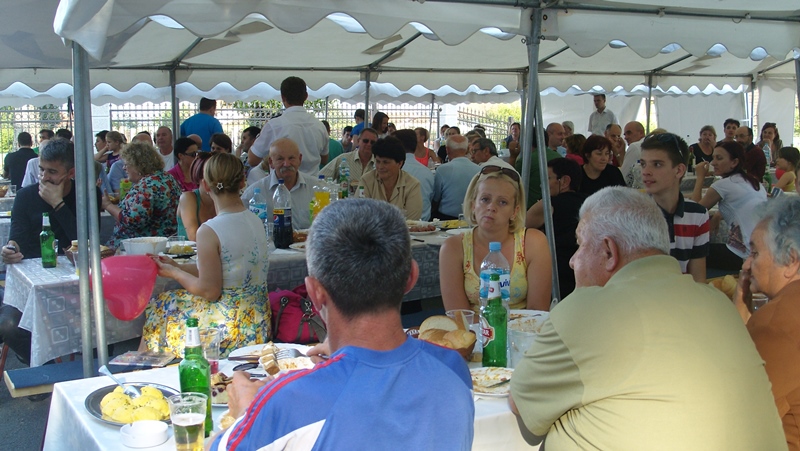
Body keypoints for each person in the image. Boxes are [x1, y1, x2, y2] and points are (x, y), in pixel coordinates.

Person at [510, 187, 785, 450]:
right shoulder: (719, 304)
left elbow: (522, 402)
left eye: (580, 245)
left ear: (609, 252)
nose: (572, 260)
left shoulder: (588, 308)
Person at [210, 199, 474, 449]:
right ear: (411, 277)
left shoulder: (287, 402)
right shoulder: (453, 369)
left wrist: (247, 415)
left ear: (314, 293)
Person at [143, 153, 270, 357]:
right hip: (258, 323)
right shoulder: (256, 220)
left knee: (161, 304)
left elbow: (210, 290)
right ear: (242, 182)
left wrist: (175, 274)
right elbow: (224, 268)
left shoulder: (209, 230)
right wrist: (177, 267)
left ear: (206, 185)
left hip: (229, 328)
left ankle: (144, 369)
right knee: (168, 301)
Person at [0, 139, 102, 365]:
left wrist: (58, 205)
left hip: (75, 288)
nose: (45, 177)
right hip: (31, 287)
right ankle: (45, 369)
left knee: (101, 321)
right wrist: (10, 249)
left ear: (71, 173)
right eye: (42, 170)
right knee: (8, 325)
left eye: (52, 172)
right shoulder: (26, 196)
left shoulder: (88, 194)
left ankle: (91, 372)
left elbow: (86, 241)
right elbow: (17, 238)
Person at [733, 197, 800, 450]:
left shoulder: (775, 323)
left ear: (790, 260)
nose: (746, 265)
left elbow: (739, 409)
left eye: (754, 253)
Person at [440, 161, 552, 313]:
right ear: (473, 205)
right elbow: (459, 316)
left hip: (524, 326)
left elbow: (538, 312)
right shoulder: (453, 247)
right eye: (485, 199)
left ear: (514, 211)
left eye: (502, 202)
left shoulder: (533, 243)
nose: (491, 207)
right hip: (473, 328)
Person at [641, 133, 709, 283]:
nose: (646, 171)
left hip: (683, 295)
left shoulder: (697, 215)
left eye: (657, 164)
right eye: (643, 164)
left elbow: (698, 279)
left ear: (679, 170)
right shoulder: (634, 214)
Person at [691, 141, 767, 261]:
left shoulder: (723, 185)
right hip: (765, 249)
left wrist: (700, 177)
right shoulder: (753, 182)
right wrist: (718, 215)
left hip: (745, 254)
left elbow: (694, 212)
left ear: (734, 162)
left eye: (719, 158)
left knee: (691, 251)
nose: (713, 163)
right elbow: (744, 207)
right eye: (713, 158)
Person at [102, 142, 182, 250]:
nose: (124, 168)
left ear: (137, 165)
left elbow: (133, 221)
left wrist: (108, 205)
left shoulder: (146, 186)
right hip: (162, 244)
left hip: (141, 248)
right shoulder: (167, 178)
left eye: (126, 164)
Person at [526, 158, 586, 297]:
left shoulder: (549, 204)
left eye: (547, 178)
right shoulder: (588, 201)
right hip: (583, 269)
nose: (542, 185)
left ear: (564, 181)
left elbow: (520, 225)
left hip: (556, 274)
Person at [248, 77, 329, 174]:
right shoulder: (320, 126)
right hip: (312, 182)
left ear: (282, 97)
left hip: (282, 182)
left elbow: (252, 160)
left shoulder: (274, 126)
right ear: (306, 96)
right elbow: (324, 159)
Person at [241, 138, 316, 230]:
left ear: (299, 159)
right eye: (280, 159)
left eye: (291, 158)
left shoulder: (317, 188)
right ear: (271, 162)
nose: (287, 164)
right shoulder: (252, 194)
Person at [360, 137, 422, 220]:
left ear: (399, 163)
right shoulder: (366, 180)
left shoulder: (412, 185)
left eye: (385, 162)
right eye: (378, 161)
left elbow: (412, 221)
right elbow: (360, 215)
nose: (380, 167)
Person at [513, 122, 564, 207]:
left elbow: (512, 184)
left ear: (525, 142)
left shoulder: (525, 161)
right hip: (556, 205)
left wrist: (512, 157)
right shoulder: (560, 157)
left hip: (529, 207)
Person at [433, 134, 479, 220]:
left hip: (445, 217)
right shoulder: (478, 169)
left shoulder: (442, 169)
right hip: (471, 217)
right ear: (467, 149)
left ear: (447, 150)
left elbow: (436, 198)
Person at [395, 129, 434, 221]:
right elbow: (432, 199)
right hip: (424, 223)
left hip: (398, 223)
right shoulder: (427, 172)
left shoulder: (393, 170)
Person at [176, 153, 215, 241]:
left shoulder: (223, 199)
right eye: (211, 174)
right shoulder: (188, 198)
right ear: (199, 175)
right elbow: (194, 237)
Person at [620, 121, 645, 187]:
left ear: (641, 133)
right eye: (625, 135)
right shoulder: (650, 144)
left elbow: (622, 178)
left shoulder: (635, 146)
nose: (625, 137)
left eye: (629, 133)